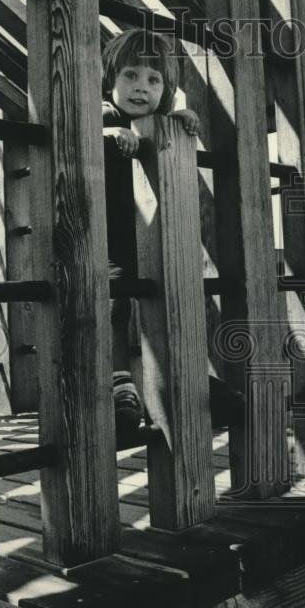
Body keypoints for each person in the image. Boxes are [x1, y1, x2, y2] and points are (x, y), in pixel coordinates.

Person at [101, 30, 208, 435]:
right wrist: (110, 135)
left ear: (167, 90)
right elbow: (76, 136)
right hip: (106, 239)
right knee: (112, 307)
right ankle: (116, 386)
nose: (141, 88)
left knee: (164, 307)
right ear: (111, 80)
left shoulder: (158, 121)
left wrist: (180, 120)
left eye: (153, 80)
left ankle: (175, 379)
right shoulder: (105, 115)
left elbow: (169, 140)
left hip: (147, 241)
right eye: (130, 75)